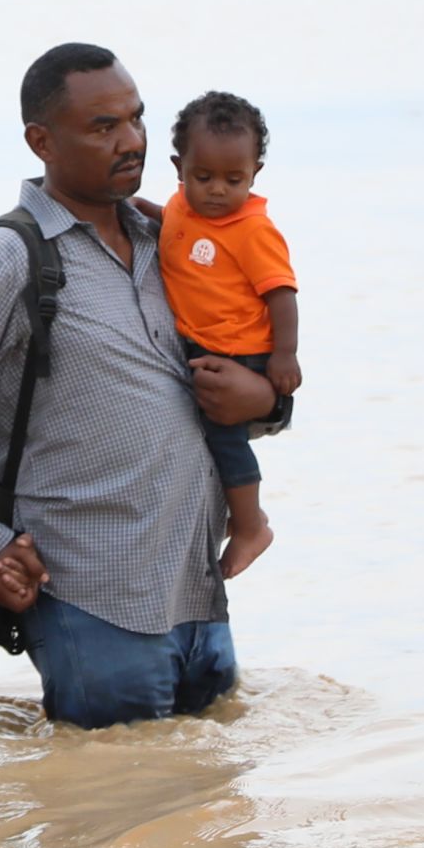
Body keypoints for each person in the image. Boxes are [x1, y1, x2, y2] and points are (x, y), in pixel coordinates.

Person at [0, 43, 268, 728]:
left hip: (201, 602)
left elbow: (239, 386)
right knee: (115, 818)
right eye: (103, 126)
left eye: (136, 119)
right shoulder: (6, 259)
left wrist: (269, 403)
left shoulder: (174, 243)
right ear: (41, 141)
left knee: (211, 823)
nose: (131, 140)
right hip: (94, 610)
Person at [158, 90, 301, 579]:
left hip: (245, 354)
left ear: (254, 174)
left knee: (224, 438)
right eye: (204, 178)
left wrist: (285, 356)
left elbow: (281, 293)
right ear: (179, 167)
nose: (217, 190)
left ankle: (249, 525)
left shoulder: (253, 229)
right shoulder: (180, 208)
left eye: (233, 179)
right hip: (203, 345)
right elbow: (173, 229)